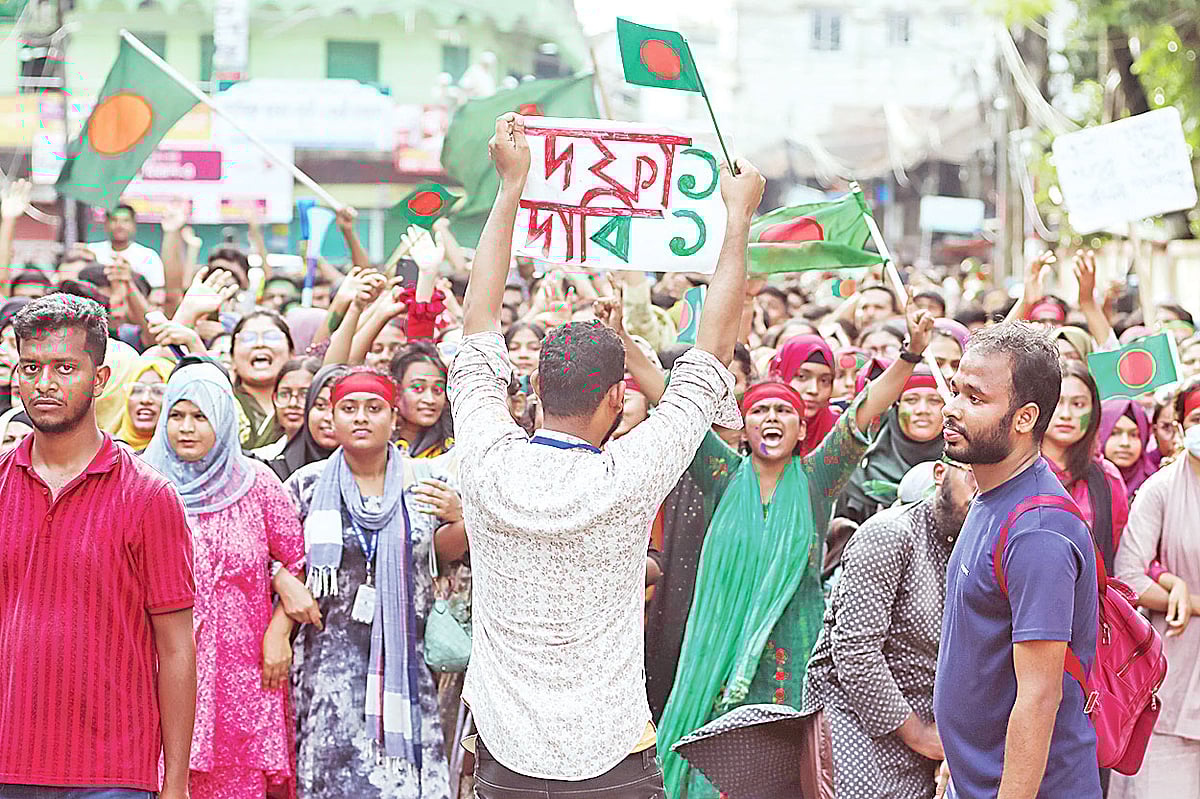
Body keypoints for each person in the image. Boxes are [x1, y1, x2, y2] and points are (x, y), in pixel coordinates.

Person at [448, 112, 761, 796]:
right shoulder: (629, 475)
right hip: (612, 766)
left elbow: (476, 327)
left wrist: (512, 187)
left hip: (507, 765)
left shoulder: (485, 461)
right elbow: (711, 354)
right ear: (617, 399)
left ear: (531, 387)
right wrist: (737, 221)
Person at [657, 298, 935, 799]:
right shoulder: (720, 475)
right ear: (743, 428)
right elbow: (673, 407)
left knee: (785, 777)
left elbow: (864, 410)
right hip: (721, 657)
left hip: (792, 653)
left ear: (803, 427)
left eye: (783, 410)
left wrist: (911, 356)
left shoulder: (816, 480)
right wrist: (624, 348)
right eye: (759, 409)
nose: (771, 417)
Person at [0, 294, 195, 797]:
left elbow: (175, 648)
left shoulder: (149, 496)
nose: (45, 384)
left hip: (113, 771)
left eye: (65, 367)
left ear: (101, 379)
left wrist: (175, 782)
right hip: (7, 762)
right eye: (31, 367)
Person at [936, 322, 1101, 799]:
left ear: (1025, 418)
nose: (951, 409)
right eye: (955, 391)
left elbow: (1038, 697)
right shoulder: (991, 492)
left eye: (975, 398)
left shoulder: (1039, 532)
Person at [285, 369, 462, 799]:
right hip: (327, 668)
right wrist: (283, 583)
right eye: (349, 408)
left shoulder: (425, 484)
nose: (361, 418)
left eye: (374, 408)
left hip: (405, 665)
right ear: (331, 416)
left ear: (394, 417)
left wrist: (461, 516)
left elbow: (447, 554)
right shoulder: (305, 486)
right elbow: (275, 556)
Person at [142, 361, 314, 799]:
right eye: (177, 415)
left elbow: (295, 559)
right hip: (159, 667)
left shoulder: (256, 484)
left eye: (200, 416)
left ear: (222, 417)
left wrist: (279, 631)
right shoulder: (141, 484)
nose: (186, 428)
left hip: (242, 673)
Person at [802, 455, 977, 799]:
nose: (981, 489)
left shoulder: (981, 544)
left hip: (934, 743)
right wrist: (920, 736)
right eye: (971, 476)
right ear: (940, 473)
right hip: (856, 733)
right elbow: (855, 651)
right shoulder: (891, 535)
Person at [1109, 380, 1200, 799]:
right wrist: (1180, 594)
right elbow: (1129, 575)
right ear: (1180, 427)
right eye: (1198, 418)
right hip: (1175, 665)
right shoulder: (1160, 488)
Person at [1038, 360, 1129, 572]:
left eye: (1078, 404)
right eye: (1057, 402)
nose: (1066, 414)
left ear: (1094, 411)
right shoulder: (1014, 470)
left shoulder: (1107, 477)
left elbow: (1115, 545)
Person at [837, 366, 946, 524]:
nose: (923, 410)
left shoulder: (963, 469)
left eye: (934, 401)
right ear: (897, 406)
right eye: (911, 400)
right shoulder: (862, 472)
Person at [266, 364, 349, 482]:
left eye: (346, 408)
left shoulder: (373, 471)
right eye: (320, 405)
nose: (329, 417)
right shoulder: (276, 469)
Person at [231, 309, 295, 450]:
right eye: (248, 338)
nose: (259, 344)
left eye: (272, 337)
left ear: (292, 353)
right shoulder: (224, 402)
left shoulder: (303, 403)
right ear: (232, 359)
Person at [768, 335, 839, 456]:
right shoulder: (756, 427)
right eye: (802, 377)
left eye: (824, 380)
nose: (814, 390)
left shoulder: (838, 431)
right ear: (780, 376)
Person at [248, 357, 321, 461]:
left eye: (304, 394)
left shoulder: (336, 460)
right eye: (284, 394)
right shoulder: (260, 459)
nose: (293, 403)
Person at [390, 341, 454, 458]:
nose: (430, 400)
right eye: (418, 388)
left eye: (438, 389)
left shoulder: (452, 447)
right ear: (396, 391)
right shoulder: (379, 444)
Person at [86, 203, 167, 289]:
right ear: (106, 224)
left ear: (134, 225)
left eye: (126, 221)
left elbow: (157, 292)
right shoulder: (91, 251)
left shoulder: (149, 256)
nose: (119, 225)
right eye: (114, 220)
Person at [1100, 399, 1159, 499]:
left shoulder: (1155, 483)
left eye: (1134, 435)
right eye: (1115, 433)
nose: (1125, 443)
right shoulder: (1084, 480)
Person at [114, 355, 174, 452]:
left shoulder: (180, 458)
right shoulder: (107, 451)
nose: (145, 399)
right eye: (137, 390)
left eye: (158, 391)